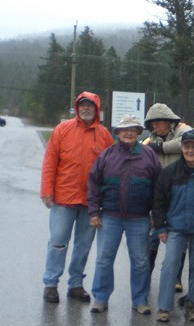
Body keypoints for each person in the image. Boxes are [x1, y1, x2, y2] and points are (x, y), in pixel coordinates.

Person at [40, 91, 114, 303]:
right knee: (57, 242)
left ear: (97, 108)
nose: (86, 108)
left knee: (83, 245)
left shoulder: (104, 135)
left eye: (90, 105)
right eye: (83, 105)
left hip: (91, 203)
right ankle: (51, 283)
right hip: (63, 198)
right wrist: (47, 190)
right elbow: (50, 161)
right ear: (77, 107)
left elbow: (111, 169)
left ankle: (75, 284)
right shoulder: (62, 130)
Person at [86, 115, 161, 314]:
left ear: (138, 133)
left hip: (140, 217)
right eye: (124, 129)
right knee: (103, 259)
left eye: (133, 129)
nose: (128, 133)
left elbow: (158, 188)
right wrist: (94, 211)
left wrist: (156, 214)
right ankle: (100, 298)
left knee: (140, 261)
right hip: (110, 216)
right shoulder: (106, 155)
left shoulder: (149, 155)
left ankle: (140, 300)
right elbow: (93, 184)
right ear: (117, 133)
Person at [153, 130, 194, 323]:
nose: (190, 150)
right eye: (187, 146)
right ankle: (164, 308)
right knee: (169, 266)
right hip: (176, 228)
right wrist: (161, 227)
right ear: (182, 148)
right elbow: (158, 200)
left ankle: (192, 306)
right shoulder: (170, 172)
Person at [142, 103, 191, 293]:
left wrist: (160, 147)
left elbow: (186, 142)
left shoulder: (182, 130)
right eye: (152, 123)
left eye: (158, 122)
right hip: (158, 197)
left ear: (168, 121)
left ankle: (177, 277)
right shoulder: (149, 140)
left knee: (179, 240)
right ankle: (146, 275)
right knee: (153, 237)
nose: (155, 127)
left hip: (180, 195)